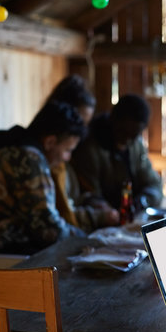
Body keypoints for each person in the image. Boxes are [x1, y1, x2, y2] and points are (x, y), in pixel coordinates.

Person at [0, 101, 87, 254]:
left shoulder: (11, 147)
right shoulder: (28, 159)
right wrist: (86, 239)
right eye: (68, 150)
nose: (68, 158)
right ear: (50, 142)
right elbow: (47, 229)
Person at [45, 75, 119, 232]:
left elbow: (77, 196)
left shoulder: (69, 158)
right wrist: (99, 217)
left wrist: (97, 203)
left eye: (86, 124)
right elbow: (59, 217)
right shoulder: (49, 159)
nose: (82, 130)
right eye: (78, 121)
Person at [71, 93, 163, 215]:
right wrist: (111, 214)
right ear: (113, 120)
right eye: (123, 132)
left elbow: (154, 184)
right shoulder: (90, 149)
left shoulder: (136, 145)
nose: (127, 140)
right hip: (105, 221)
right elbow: (90, 196)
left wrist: (143, 200)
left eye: (134, 135)